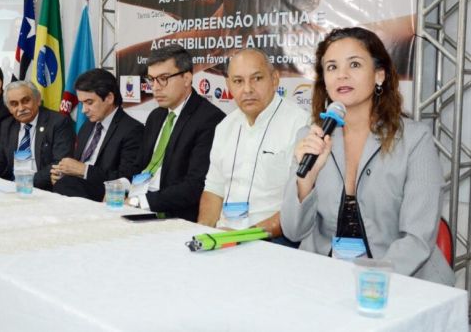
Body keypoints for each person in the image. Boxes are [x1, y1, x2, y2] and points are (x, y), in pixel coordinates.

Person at [281, 27, 455, 285]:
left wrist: (370, 281)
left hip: (401, 279)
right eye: (331, 67)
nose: (342, 75)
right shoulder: (312, 137)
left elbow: (417, 239)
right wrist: (307, 178)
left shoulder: (414, 139)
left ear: (379, 75)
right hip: (324, 277)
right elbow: (293, 231)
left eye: (354, 64)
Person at [198, 49, 308, 244]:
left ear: (274, 79)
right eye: (238, 81)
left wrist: (241, 238)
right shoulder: (225, 127)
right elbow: (214, 190)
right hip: (224, 236)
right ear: (228, 85)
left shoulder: (300, 125)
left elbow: (297, 208)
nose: (247, 89)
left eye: (256, 78)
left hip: (272, 239)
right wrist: (204, 233)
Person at [128, 44, 225, 221]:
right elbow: (139, 165)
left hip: (172, 213)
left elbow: (195, 185)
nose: (155, 87)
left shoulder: (209, 119)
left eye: (163, 78)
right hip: (138, 203)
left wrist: (141, 202)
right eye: (151, 79)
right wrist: (122, 186)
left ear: (187, 78)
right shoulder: (156, 116)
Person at [51, 68, 144, 201]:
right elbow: (78, 167)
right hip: (78, 189)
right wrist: (63, 173)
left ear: (109, 98)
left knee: (66, 185)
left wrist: (84, 170)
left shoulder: (132, 130)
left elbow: (127, 177)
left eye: (89, 102)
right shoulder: (87, 126)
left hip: (107, 195)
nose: (83, 110)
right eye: (81, 103)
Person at [0, 81, 75, 191]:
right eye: (14, 104)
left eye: (26, 101)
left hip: (45, 189)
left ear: (38, 100)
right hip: (12, 188)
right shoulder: (8, 125)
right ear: (9, 108)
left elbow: (59, 164)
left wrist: (24, 183)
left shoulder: (58, 122)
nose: (21, 108)